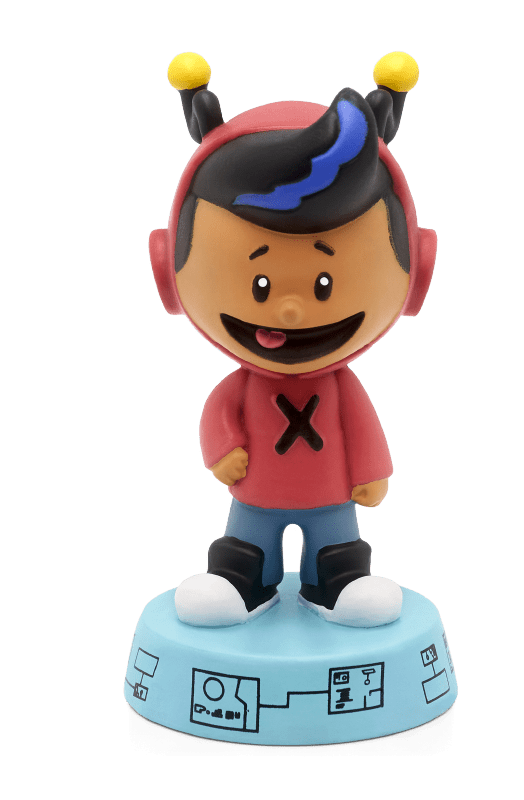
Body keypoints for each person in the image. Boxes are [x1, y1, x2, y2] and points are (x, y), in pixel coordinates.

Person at [149, 51, 437, 627]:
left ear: (418, 274)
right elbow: (220, 410)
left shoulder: (340, 386)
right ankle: (241, 581)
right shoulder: (244, 384)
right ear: (166, 273)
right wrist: (222, 445)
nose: (289, 307)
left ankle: (338, 582)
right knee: (245, 544)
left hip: (331, 498)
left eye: (324, 283)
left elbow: (360, 424)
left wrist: (371, 471)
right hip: (254, 495)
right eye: (260, 283)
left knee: (338, 547)